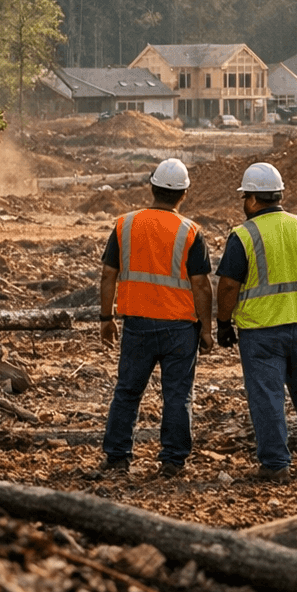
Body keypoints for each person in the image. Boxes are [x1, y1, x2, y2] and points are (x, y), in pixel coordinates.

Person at [215, 162, 297, 482]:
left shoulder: (243, 235)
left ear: (252, 199)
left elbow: (229, 285)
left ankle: (276, 465)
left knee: (267, 397)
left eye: (244, 197)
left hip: (261, 331)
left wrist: (222, 322)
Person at [90, 157, 215, 480]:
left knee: (128, 392)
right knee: (177, 394)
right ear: (184, 194)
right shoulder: (191, 232)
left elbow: (108, 275)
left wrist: (107, 318)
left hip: (137, 325)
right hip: (180, 328)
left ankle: (117, 457)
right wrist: (207, 329)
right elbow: (201, 285)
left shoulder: (125, 225)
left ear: (151, 187)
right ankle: (173, 461)